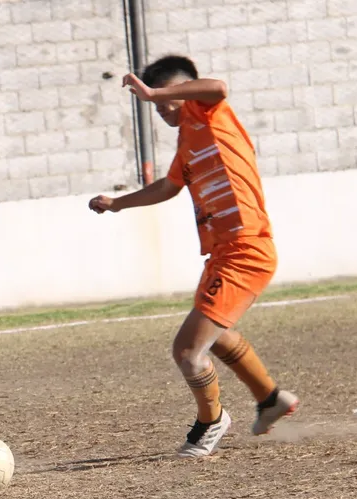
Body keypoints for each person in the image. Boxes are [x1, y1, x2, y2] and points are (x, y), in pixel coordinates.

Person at [89, 55, 298, 457]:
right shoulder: (188, 141)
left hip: (245, 248)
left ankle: (212, 420)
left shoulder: (212, 114)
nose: (163, 108)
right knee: (214, 337)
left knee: (188, 350)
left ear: (186, 91)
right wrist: (117, 203)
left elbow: (218, 87)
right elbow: (167, 188)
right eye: (157, 105)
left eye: (169, 99)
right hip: (223, 253)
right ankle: (270, 399)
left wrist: (155, 91)